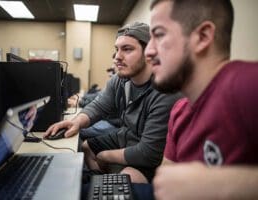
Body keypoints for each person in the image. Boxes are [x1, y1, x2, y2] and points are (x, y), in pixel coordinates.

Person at [144, 0, 258, 199]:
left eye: (159, 35)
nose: (148, 51)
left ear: (203, 36)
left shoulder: (246, 84)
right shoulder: (179, 111)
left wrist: (225, 185)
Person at [44, 22, 181, 183]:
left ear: (149, 52)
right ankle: (100, 182)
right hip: (126, 137)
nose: (117, 57)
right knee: (86, 147)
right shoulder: (120, 80)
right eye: (117, 49)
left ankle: (106, 185)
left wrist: (105, 156)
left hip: (152, 155)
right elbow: (99, 105)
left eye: (127, 49)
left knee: (129, 177)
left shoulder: (164, 91)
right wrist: (76, 122)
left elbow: (148, 153)